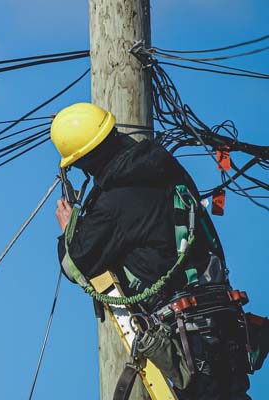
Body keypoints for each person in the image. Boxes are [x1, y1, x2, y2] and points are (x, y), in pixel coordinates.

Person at [51, 102, 253, 399]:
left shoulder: (115, 201)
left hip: (185, 338)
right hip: (222, 320)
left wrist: (69, 229)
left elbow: (76, 264)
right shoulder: (166, 169)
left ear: (83, 161)